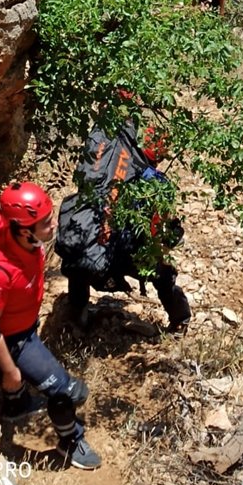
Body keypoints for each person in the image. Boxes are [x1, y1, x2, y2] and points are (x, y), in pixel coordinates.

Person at [0, 181, 101, 470]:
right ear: (22, 229)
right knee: (67, 393)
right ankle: (70, 442)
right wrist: (10, 371)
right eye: (45, 222)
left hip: (27, 327)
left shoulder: (31, 244)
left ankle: (15, 406)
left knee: (50, 387)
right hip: (16, 339)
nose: (54, 224)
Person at [57, 124, 191, 335]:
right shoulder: (159, 184)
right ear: (161, 156)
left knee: (81, 263)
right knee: (164, 274)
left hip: (100, 250)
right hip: (132, 254)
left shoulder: (107, 166)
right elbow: (162, 233)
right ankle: (180, 319)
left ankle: (77, 315)